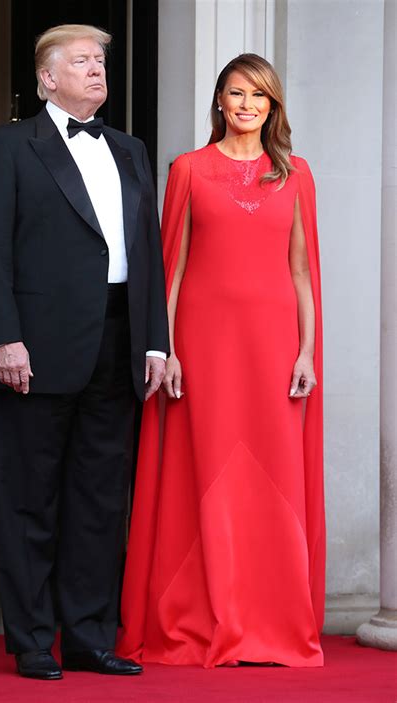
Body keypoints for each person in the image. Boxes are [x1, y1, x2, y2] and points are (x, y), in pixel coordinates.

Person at [0, 24, 168, 680]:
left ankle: (87, 636)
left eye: (101, 61)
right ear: (47, 78)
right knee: (30, 498)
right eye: (81, 61)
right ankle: (29, 640)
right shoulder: (7, 147)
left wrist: (156, 339)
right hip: (35, 344)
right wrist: (2, 336)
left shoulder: (131, 150)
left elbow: (149, 254)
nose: (97, 70)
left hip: (119, 342)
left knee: (101, 500)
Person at [117, 53, 325, 668]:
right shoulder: (187, 170)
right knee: (199, 471)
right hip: (202, 348)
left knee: (274, 474)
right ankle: (200, 617)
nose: (246, 105)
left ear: (273, 106)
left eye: (259, 96)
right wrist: (168, 348)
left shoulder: (297, 174)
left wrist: (307, 351)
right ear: (219, 102)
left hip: (273, 346)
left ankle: (270, 621)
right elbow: (169, 270)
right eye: (236, 93)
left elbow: (302, 271)